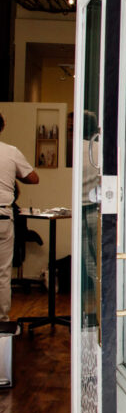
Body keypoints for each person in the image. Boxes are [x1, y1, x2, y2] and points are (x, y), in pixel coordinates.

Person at [0, 113, 39, 321]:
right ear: (2, 127)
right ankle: (1, 321)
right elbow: (33, 178)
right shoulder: (10, 152)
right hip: (3, 215)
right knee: (3, 273)